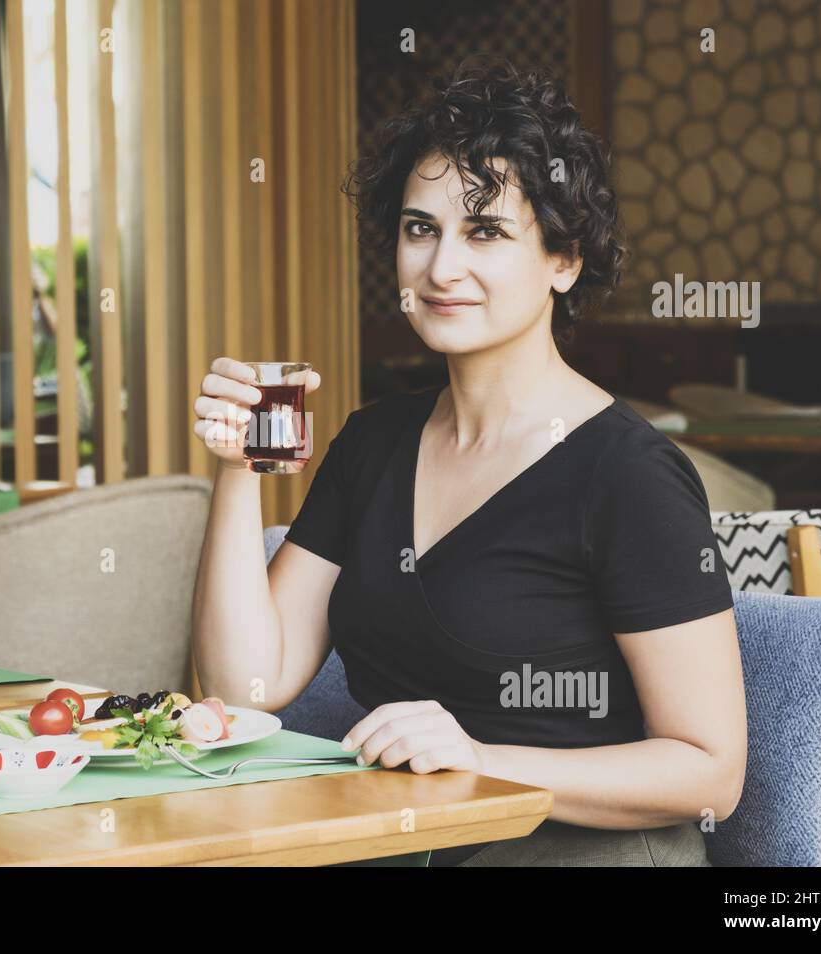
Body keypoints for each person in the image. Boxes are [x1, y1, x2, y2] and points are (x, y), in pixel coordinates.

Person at [189, 59, 746, 866]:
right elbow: (240, 686)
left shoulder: (627, 475)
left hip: (578, 850)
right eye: (422, 228)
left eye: (485, 231)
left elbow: (709, 775)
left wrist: (483, 759)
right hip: (404, 838)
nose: (441, 267)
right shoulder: (374, 443)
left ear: (565, 260)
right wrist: (237, 470)